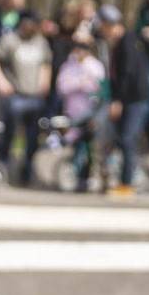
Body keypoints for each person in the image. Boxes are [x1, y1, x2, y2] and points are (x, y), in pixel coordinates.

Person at [0, 10, 51, 186]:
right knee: (9, 134)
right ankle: (3, 168)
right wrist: (0, 81)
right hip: (15, 95)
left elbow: (46, 64)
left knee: (33, 137)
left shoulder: (40, 42)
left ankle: (27, 171)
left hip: (34, 96)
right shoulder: (10, 40)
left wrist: (44, 83)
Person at [98, 4, 149, 198]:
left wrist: (117, 100)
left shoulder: (127, 42)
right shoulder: (125, 42)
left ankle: (127, 183)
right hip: (132, 98)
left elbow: (126, 74)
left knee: (128, 138)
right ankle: (123, 179)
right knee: (122, 138)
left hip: (134, 99)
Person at [55, 37, 105, 192]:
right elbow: (62, 87)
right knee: (74, 144)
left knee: (90, 144)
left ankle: (89, 177)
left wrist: (85, 83)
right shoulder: (68, 66)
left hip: (91, 112)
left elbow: (100, 88)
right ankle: (75, 177)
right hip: (73, 112)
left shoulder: (96, 66)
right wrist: (79, 83)